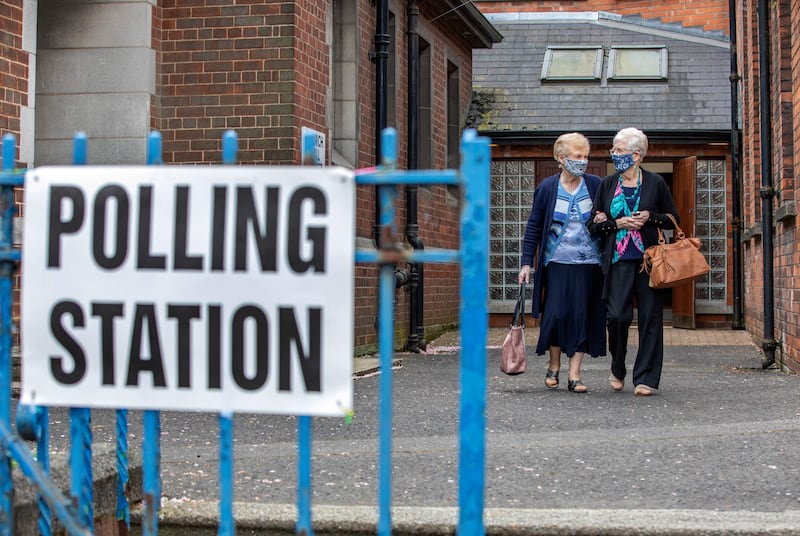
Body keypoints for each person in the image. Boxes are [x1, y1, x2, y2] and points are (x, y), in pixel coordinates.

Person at [588, 127, 679, 396]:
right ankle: (617, 367)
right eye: (614, 150)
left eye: (619, 150)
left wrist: (650, 217)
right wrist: (616, 223)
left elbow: (673, 219)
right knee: (617, 316)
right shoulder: (607, 184)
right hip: (617, 261)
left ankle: (645, 378)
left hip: (650, 262)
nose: (613, 154)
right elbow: (593, 224)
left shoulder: (655, 183)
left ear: (636, 154)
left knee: (651, 318)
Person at [518, 132, 606, 393]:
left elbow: (609, 217)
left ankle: (574, 375)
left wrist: (604, 220)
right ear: (561, 158)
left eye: (586, 156)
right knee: (556, 314)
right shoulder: (547, 187)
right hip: (556, 262)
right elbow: (534, 226)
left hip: (589, 263)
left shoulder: (595, 184)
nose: (583, 161)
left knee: (581, 315)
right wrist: (526, 263)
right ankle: (553, 365)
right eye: (577, 156)